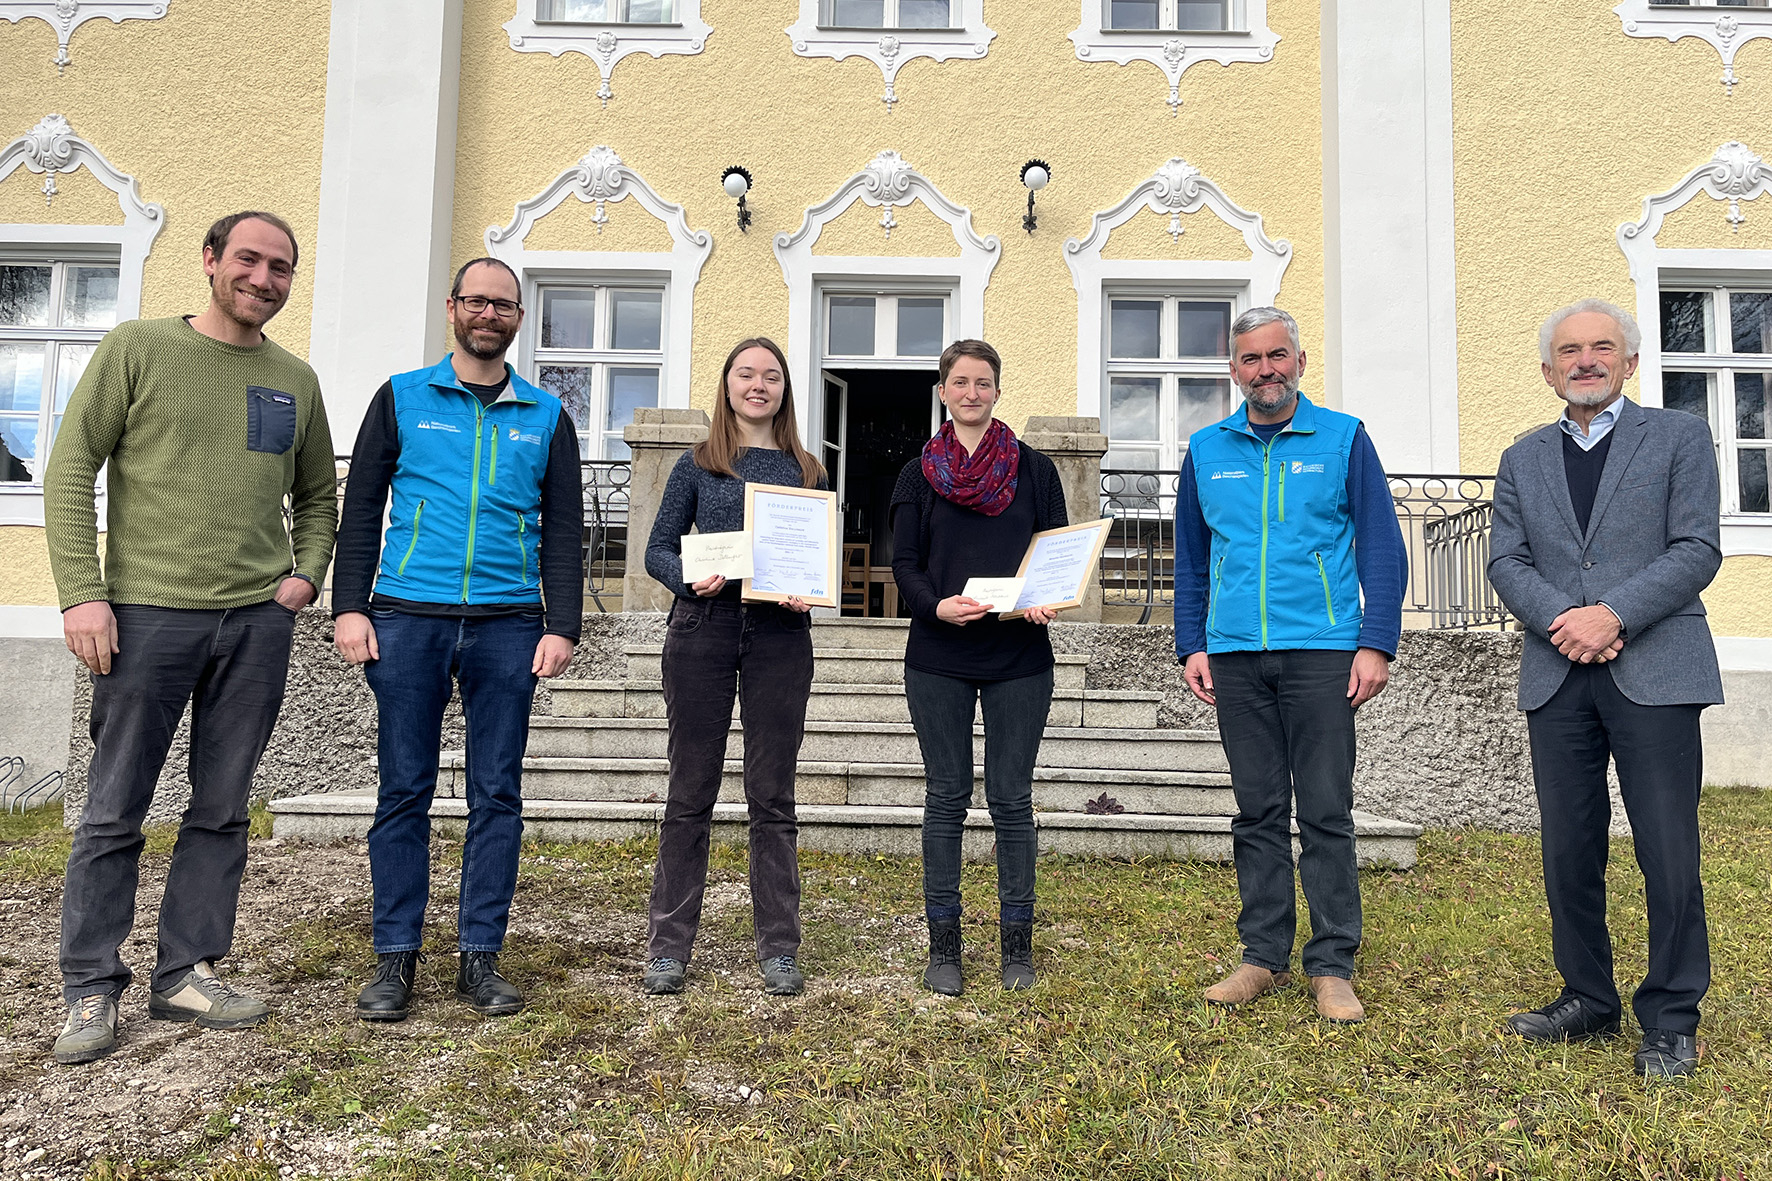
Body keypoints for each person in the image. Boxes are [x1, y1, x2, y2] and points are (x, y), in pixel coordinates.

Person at [43, 212, 336, 1065]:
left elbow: (318, 495)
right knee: (113, 809)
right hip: (142, 616)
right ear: (210, 262)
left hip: (254, 623)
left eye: (281, 266)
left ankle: (186, 971)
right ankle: (91, 986)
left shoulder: (295, 379)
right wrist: (81, 595)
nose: (264, 278)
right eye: (247, 259)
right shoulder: (137, 348)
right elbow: (69, 468)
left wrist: (303, 577)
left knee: (220, 808)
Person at [332, 258, 582, 1022]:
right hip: (407, 617)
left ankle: (480, 955)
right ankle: (395, 958)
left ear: (517, 317)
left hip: (509, 625)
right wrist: (350, 607)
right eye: (476, 300)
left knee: (496, 793)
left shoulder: (546, 415)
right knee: (402, 788)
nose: (488, 313)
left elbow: (567, 529)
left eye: (503, 304)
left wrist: (562, 623)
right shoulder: (402, 397)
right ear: (453, 308)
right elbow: (362, 504)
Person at [1487, 298, 1723, 1079]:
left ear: (1630, 361)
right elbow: (1506, 562)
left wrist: (1614, 613)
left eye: (1601, 348)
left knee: (1666, 847)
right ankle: (1588, 995)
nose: (1585, 361)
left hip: (1656, 667)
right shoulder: (1522, 457)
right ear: (1548, 370)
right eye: (1569, 351)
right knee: (1569, 847)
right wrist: (1570, 620)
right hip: (1558, 672)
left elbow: (1697, 547)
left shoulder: (1681, 437)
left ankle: (1671, 1016)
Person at [1174, 306, 1407, 1024]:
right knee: (1259, 811)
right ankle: (1261, 955)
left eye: (1278, 355)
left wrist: (1376, 641)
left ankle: (1333, 963)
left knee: (1327, 811)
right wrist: (1193, 643)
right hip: (1237, 653)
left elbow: (1380, 546)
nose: (1265, 369)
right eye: (1250, 359)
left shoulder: (1343, 438)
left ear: (1300, 362)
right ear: (1234, 370)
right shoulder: (1206, 449)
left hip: (1324, 649)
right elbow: (1189, 557)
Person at [640, 337, 825, 998]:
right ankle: (668, 946)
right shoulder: (697, 464)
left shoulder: (808, 469)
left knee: (771, 795)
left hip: (781, 634)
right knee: (690, 790)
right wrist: (692, 579)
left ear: (784, 389)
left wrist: (812, 586)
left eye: (770, 375)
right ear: (727, 385)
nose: (758, 384)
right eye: (746, 374)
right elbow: (656, 550)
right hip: (703, 630)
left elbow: (816, 555)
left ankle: (779, 946)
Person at [890, 338, 1067, 996]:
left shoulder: (1035, 469)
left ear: (997, 389)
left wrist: (1048, 596)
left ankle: (1016, 947)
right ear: (942, 390)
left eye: (982, 382)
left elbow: (1055, 550)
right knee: (946, 798)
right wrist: (935, 604)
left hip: (1019, 654)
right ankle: (945, 948)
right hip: (938, 655)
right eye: (959, 381)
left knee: (1012, 800)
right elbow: (903, 562)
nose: (971, 392)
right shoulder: (918, 473)